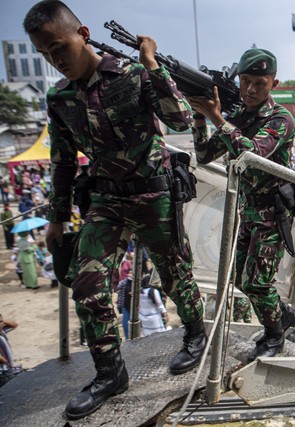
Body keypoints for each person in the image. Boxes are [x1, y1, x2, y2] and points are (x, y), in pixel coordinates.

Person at [24, 1, 205, 419]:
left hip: (153, 193)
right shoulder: (60, 97)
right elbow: (63, 161)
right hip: (106, 199)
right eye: (45, 55)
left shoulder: (133, 73)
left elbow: (179, 120)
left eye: (58, 48)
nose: (56, 61)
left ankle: (195, 335)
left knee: (175, 274)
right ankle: (110, 372)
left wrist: (153, 64)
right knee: (86, 282)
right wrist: (56, 216)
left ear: (82, 34)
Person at [188, 47, 295, 362]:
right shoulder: (239, 115)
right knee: (239, 276)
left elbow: (253, 152)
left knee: (258, 281)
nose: (250, 90)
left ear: (273, 85)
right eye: (245, 81)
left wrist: (216, 117)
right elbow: (204, 155)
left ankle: (275, 334)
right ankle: (283, 314)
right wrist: (199, 114)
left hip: (272, 213)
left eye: (259, 84)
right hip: (248, 210)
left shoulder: (281, 119)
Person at [0, 314, 21, 387]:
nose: (1, 324)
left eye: (1, 322)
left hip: (7, 368)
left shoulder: (2, 332)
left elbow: (14, 325)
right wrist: (5, 362)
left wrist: (3, 320)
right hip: (3, 371)